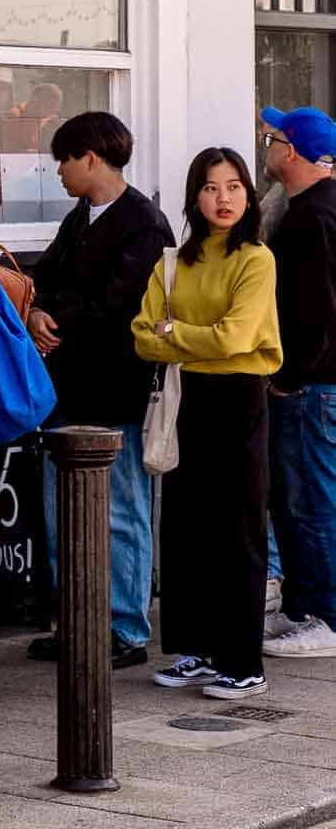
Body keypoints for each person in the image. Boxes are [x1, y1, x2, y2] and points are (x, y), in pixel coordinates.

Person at [25, 113, 172, 671]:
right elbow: (51, 278)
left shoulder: (144, 224)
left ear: (90, 157)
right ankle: (80, 621)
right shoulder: (79, 217)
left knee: (123, 511)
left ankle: (126, 627)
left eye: (63, 159)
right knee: (61, 509)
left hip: (118, 391)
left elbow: (121, 305)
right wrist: (38, 310)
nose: (57, 170)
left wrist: (51, 316)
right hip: (66, 389)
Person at [133, 147, 281, 699]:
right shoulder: (175, 260)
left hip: (241, 397)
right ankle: (196, 648)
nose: (225, 199)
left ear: (249, 194)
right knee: (187, 525)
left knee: (238, 528)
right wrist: (180, 337)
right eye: (212, 187)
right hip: (185, 396)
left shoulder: (256, 259)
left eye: (236, 186)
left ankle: (244, 661)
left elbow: (235, 338)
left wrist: (176, 335)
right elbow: (142, 333)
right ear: (194, 195)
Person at [260, 106, 336, 661]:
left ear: (291, 153)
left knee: (313, 501)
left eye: (272, 138)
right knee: (301, 499)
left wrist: (289, 379)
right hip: (317, 385)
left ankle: (327, 618)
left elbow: (316, 312)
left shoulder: (311, 218)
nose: (266, 145)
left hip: (313, 388)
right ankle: (304, 606)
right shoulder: (311, 209)